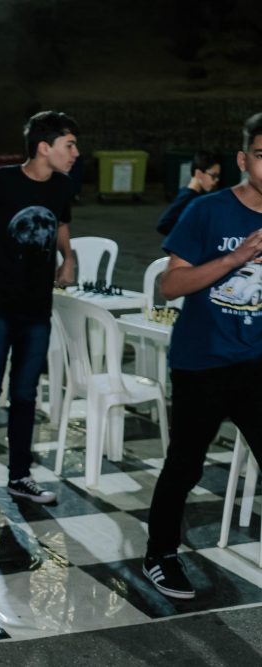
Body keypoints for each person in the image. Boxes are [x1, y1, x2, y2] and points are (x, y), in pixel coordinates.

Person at [142, 112, 262, 600]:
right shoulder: (208, 210)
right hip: (202, 362)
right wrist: (236, 257)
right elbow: (168, 285)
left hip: (256, 363)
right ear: (243, 160)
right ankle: (160, 553)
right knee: (185, 465)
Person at [0, 110, 79, 503]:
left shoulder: (62, 186)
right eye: (69, 145)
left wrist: (69, 257)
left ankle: (19, 477)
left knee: (25, 394)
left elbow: (60, 223)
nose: (76, 153)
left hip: (37, 309)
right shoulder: (1, 180)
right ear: (44, 147)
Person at [156, 151, 222, 236]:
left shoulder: (197, 196)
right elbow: (163, 224)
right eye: (213, 176)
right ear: (198, 174)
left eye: (218, 176)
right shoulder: (187, 197)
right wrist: (188, 237)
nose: (217, 180)